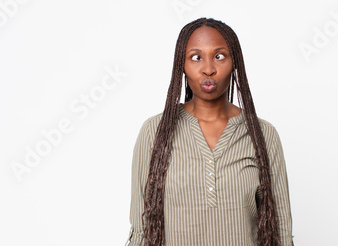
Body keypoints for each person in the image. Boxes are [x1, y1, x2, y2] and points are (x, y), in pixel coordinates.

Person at [126, 17, 294, 246]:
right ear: (182, 65)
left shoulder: (263, 135)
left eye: (219, 56)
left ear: (234, 63)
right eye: (196, 57)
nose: (208, 69)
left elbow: (280, 231)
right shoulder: (154, 132)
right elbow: (142, 230)